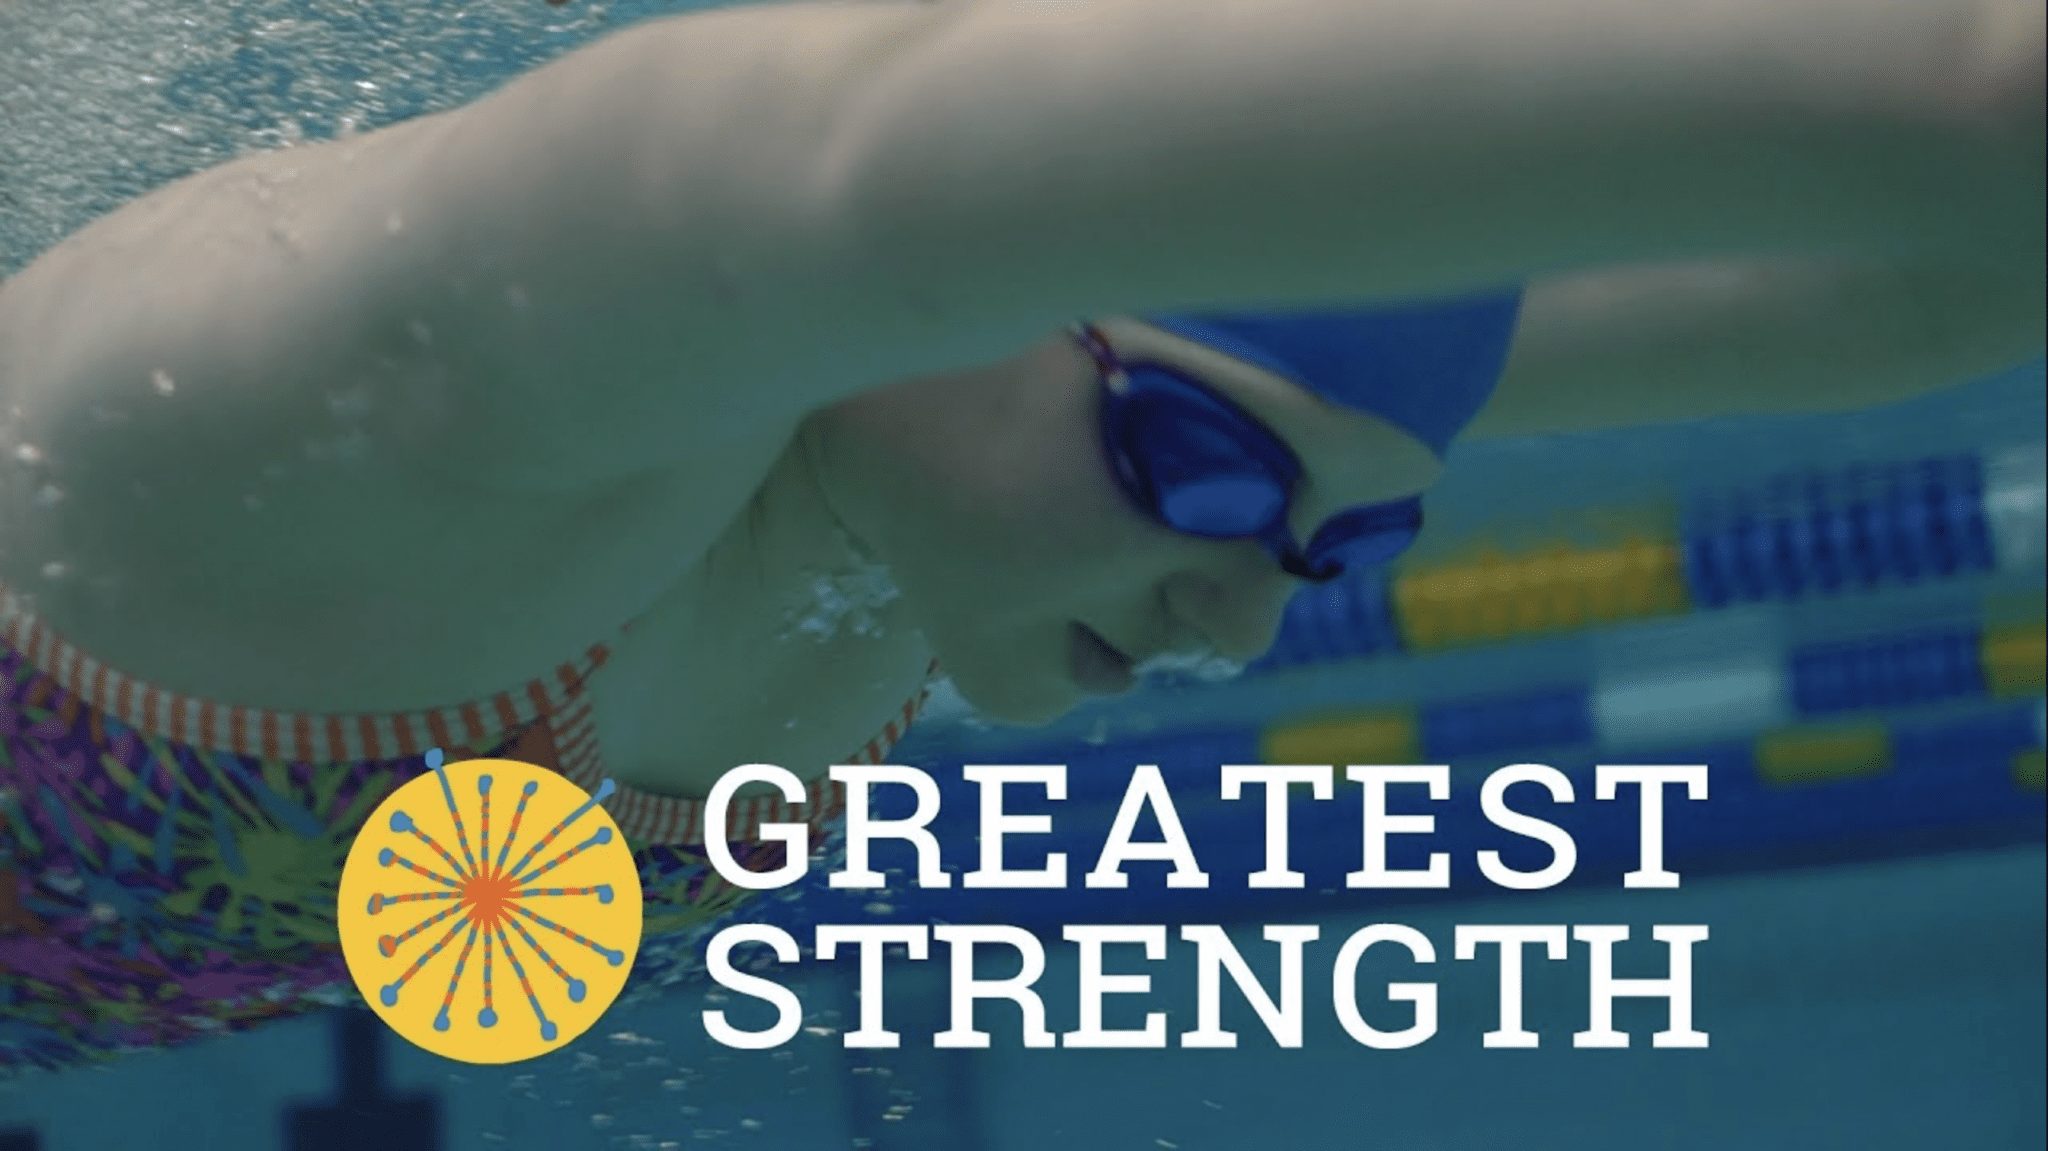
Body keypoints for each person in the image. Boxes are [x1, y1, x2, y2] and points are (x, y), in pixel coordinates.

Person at [0, 0, 2040, 1072]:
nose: (1239, 623)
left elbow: (1896, 297)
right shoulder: (393, 395)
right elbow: (827, 163)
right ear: (1001, 284)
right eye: (1201, 477)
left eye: (1332, 540)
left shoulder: (923, 489)